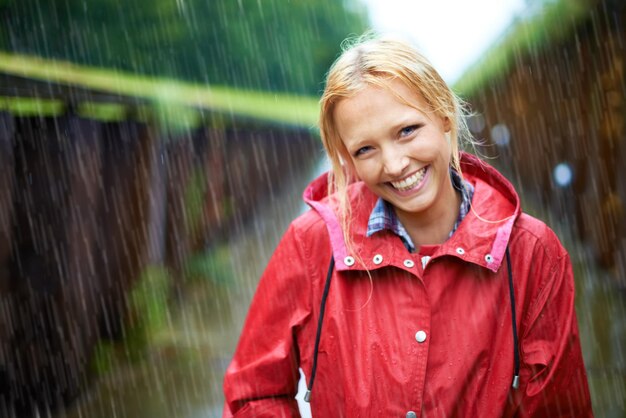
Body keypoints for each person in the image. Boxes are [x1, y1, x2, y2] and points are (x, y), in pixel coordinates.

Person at [223, 34, 593, 417]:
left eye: (407, 131)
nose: (395, 164)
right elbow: (254, 393)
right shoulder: (311, 243)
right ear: (347, 159)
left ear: (443, 113)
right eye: (365, 149)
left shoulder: (532, 252)